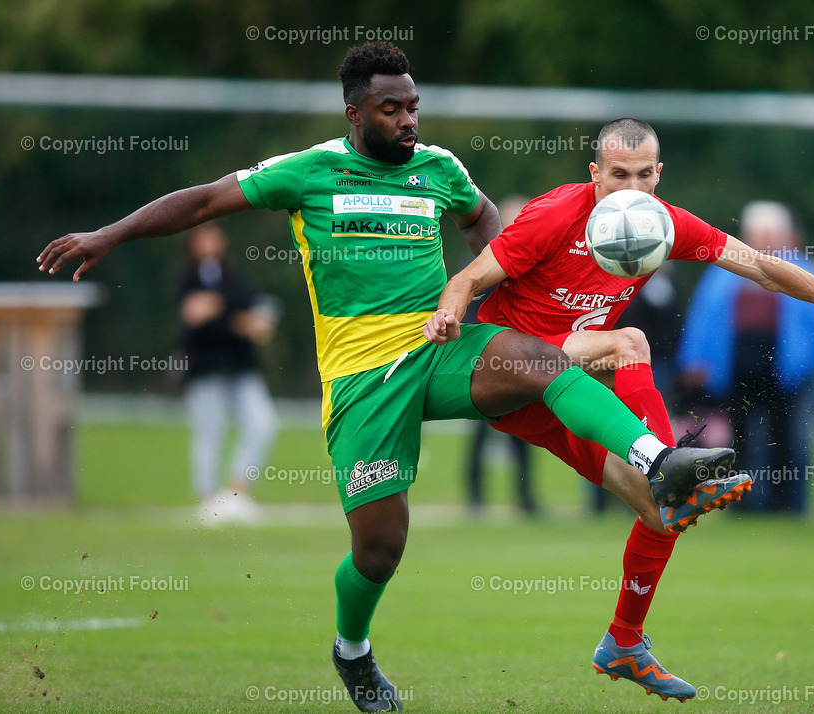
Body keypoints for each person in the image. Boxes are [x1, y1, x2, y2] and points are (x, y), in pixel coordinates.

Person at [36, 44, 734, 713]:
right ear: (355, 114)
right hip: (364, 378)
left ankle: (659, 462)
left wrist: (487, 290)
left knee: (542, 360)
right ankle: (352, 647)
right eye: (393, 109)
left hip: (439, 346)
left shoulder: (437, 167)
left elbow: (483, 219)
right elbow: (201, 204)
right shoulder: (308, 172)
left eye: (414, 108)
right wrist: (110, 235)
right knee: (379, 549)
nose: (408, 121)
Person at [426, 118, 814, 701]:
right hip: (508, 366)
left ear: (659, 173)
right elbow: (469, 276)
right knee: (629, 342)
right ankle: (666, 463)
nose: (632, 189)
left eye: (644, 174)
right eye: (618, 176)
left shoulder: (661, 225)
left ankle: (624, 640)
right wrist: (447, 314)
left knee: (665, 512)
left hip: (567, 387)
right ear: (595, 173)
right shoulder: (556, 215)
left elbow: (760, 265)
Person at [678, 201, 814, 513]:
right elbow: (702, 318)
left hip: (785, 370)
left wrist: (805, 364)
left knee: (787, 438)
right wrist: (694, 361)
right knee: (739, 439)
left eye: (770, 233)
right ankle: (741, 502)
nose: (764, 240)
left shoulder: (802, 269)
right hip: (736, 369)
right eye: (757, 233)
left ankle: (787, 504)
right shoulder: (725, 269)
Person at [180, 222, 278, 523]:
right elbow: (194, 316)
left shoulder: (235, 276)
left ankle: (237, 492)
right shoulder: (185, 279)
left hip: (242, 368)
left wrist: (224, 313)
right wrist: (236, 320)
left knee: (263, 424)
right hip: (205, 369)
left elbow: (256, 317)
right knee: (209, 433)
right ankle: (207, 499)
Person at [464, 196, 536, 515]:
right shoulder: (483, 260)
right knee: (480, 431)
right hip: (484, 357)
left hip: (518, 357)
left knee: (524, 429)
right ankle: (476, 496)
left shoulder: (530, 261)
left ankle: (525, 497)